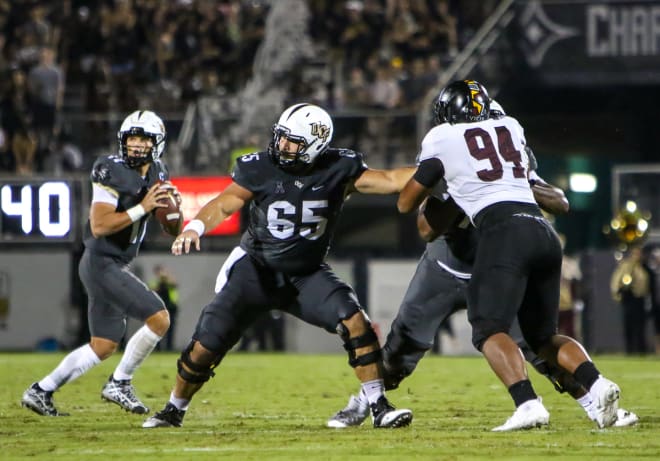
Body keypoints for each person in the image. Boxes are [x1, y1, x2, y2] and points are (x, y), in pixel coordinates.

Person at [327, 103, 638, 429]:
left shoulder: (505, 156)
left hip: (501, 262)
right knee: (400, 350)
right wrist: (458, 193)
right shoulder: (449, 155)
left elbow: (559, 201)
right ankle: (367, 402)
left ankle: (597, 406)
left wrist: (517, 186)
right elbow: (424, 227)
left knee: (537, 346)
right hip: (446, 267)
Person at [143, 103, 415, 429]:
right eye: (281, 138)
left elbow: (390, 179)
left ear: (315, 145)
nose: (282, 146)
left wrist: (436, 169)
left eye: (293, 142)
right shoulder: (260, 167)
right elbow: (225, 202)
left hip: (306, 273)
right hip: (257, 269)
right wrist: (195, 227)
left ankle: (378, 406)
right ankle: (174, 408)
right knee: (206, 342)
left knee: (356, 322)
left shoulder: (339, 167)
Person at [396, 79, 625, 431]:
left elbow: (406, 202)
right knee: (542, 337)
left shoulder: (442, 138)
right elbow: (538, 191)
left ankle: (527, 403)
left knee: (488, 329)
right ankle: (598, 384)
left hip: (503, 231)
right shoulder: (510, 127)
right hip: (542, 232)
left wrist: (443, 184)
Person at [21, 110, 182, 416]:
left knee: (103, 345)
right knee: (160, 318)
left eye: (143, 139)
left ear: (157, 144)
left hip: (114, 263)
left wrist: (174, 214)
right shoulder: (109, 168)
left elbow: (169, 224)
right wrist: (143, 207)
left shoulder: (159, 170)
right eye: (131, 138)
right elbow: (100, 225)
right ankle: (120, 383)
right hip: (101, 261)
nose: (135, 145)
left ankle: (41, 390)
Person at [610, 246, 650, 354]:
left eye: (639, 253)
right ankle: (630, 350)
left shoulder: (644, 267)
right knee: (629, 325)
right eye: (635, 253)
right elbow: (617, 281)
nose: (638, 256)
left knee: (640, 326)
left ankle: (641, 350)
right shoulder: (626, 266)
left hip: (640, 300)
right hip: (629, 299)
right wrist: (618, 295)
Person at [150, 265, 180, 352]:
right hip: (158, 308)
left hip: (170, 307)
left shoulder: (169, 281)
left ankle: (169, 347)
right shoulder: (154, 282)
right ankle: (158, 348)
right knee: (158, 328)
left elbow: (175, 284)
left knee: (171, 328)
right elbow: (153, 290)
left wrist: (166, 278)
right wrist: (161, 282)